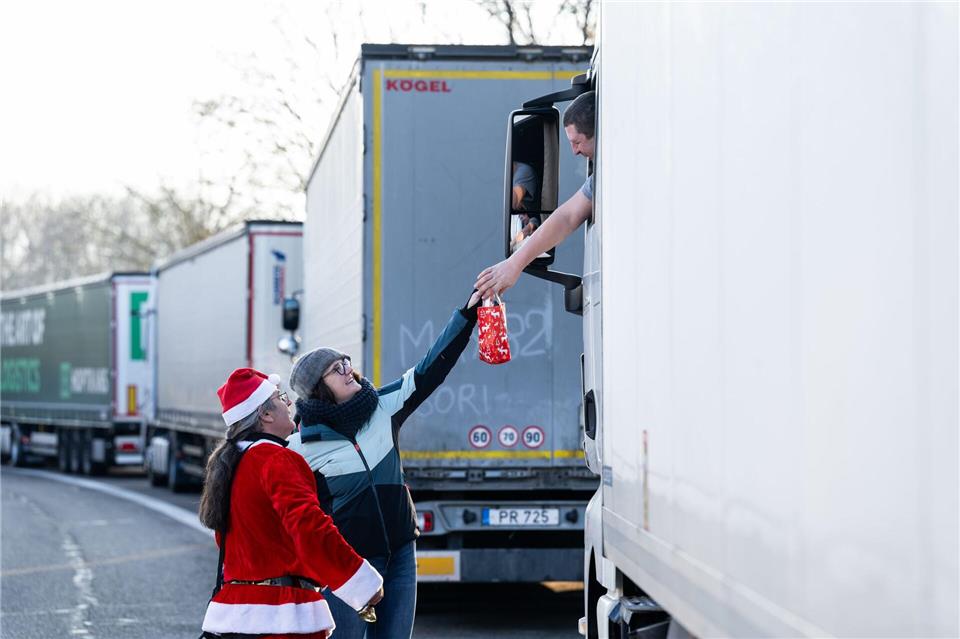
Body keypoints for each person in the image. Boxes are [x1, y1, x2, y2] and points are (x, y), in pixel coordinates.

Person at [286, 289, 481, 639]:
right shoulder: (301, 447)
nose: (348, 370)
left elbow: (431, 367)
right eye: (336, 370)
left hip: (401, 554)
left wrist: (467, 315)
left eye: (346, 362)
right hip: (350, 566)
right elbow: (294, 517)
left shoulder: (382, 407)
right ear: (318, 389)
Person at [199, 368, 384, 639]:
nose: (289, 404)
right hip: (281, 617)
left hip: (236, 614)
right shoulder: (277, 459)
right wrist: (361, 582)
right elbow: (310, 527)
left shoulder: (231, 465)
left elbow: (231, 540)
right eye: (281, 397)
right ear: (265, 415)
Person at [476, 91, 596, 298]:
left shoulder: (524, 172)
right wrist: (513, 264)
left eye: (577, 142)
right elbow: (566, 217)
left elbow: (567, 217)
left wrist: (514, 264)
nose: (574, 152)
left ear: (598, 133)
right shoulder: (602, 175)